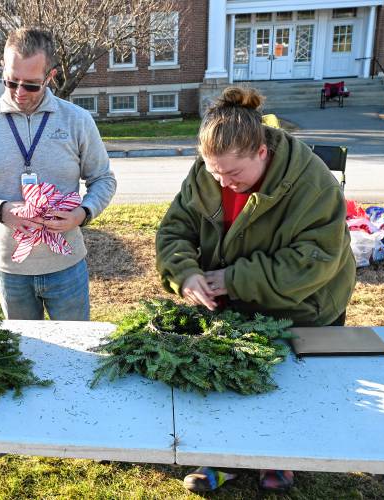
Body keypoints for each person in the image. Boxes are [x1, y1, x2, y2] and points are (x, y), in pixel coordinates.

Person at [155, 87, 356, 492]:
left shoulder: (312, 183)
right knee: (223, 376)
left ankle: (279, 458)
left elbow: (313, 261)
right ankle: (218, 458)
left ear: (262, 153)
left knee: (289, 382)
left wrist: (233, 278)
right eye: (215, 173)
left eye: (234, 174)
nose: (224, 183)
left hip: (305, 304)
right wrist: (186, 273)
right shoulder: (206, 172)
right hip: (228, 301)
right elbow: (175, 229)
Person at [0, 27, 116, 321]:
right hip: (10, 269)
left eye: (32, 85)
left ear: (51, 76)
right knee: (25, 356)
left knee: (77, 352)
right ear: (3, 68)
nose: (19, 92)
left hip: (66, 264)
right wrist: (0, 210)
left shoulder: (77, 120)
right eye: (11, 81)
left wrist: (82, 214)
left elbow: (103, 179)